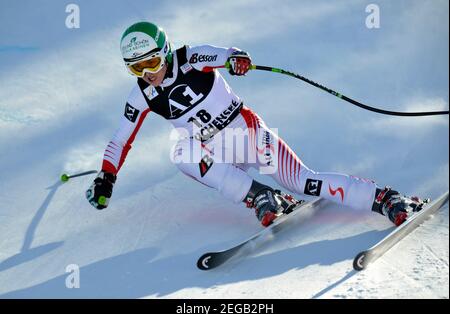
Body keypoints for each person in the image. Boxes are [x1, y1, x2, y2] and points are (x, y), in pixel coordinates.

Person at [86, 21, 425, 227]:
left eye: (152, 62)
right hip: (213, 151)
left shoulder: (190, 57)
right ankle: (260, 196)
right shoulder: (141, 95)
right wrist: (107, 176)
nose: (148, 74)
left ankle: (385, 198)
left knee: (304, 181)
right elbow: (120, 139)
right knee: (180, 151)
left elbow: (225, 53)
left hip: (245, 134)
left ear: (166, 51)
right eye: (136, 69)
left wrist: (237, 59)